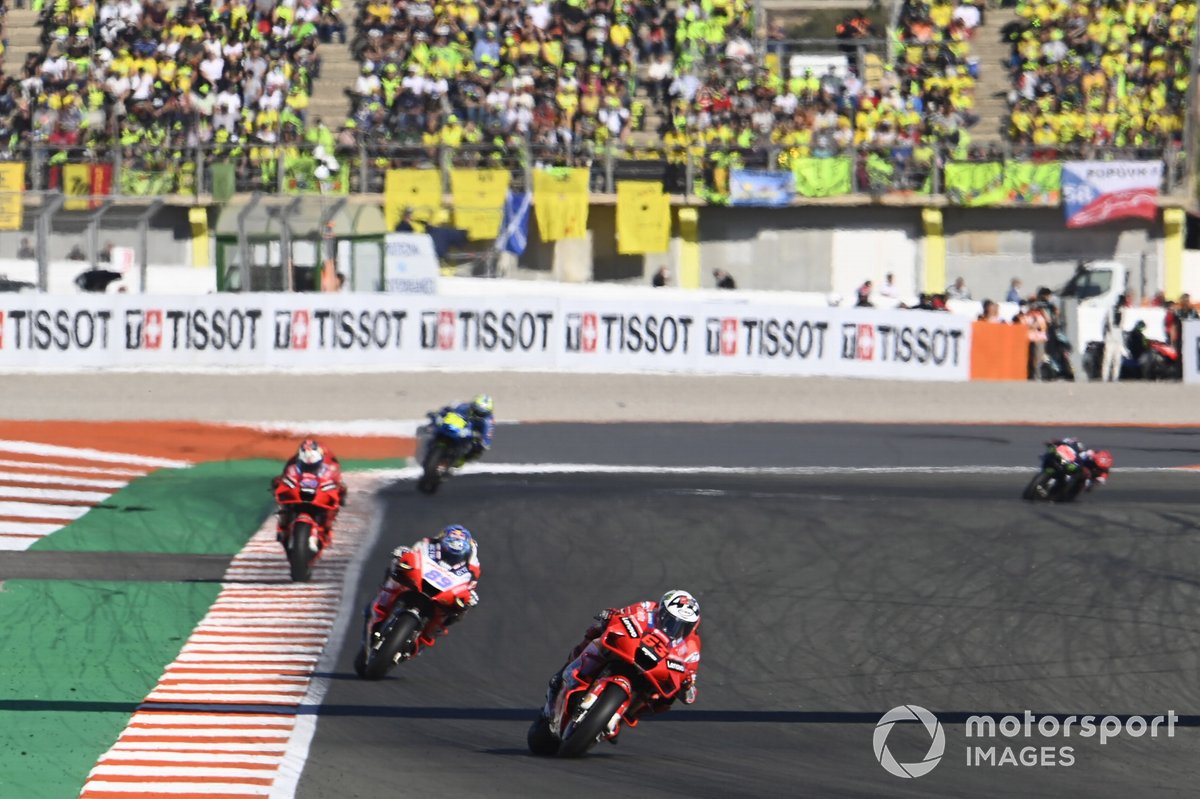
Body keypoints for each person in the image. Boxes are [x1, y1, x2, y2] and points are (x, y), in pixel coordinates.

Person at [541, 590, 701, 729]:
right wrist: (611, 616)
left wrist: (686, 685)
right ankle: (566, 671)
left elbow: (690, 692)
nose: (676, 628)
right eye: (671, 620)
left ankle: (626, 715)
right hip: (630, 650)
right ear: (662, 612)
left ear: (692, 627)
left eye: (684, 626)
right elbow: (623, 615)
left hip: (653, 673)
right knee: (597, 632)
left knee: (664, 700)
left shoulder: (692, 646)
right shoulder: (647, 608)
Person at [368, 524, 481, 651]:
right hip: (417, 582)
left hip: (443, 595)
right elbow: (413, 552)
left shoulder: (472, 565)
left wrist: (470, 596)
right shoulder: (428, 544)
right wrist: (403, 554)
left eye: (460, 538)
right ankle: (380, 605)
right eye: (453, 536)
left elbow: (471, 584)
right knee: (396, 567)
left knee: (460, 609)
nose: (457, 538)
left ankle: (424, 639)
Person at [272, 439, 348, 543]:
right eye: (306, 453)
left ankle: (326, 529)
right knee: (283, 502)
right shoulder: (293, 463)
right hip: (298, 493)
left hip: (318, 494)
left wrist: (339, 491)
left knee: (335, 502)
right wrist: (280, 483)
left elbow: (337, 480)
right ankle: (283, 527)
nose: (309, 457)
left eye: (311, 453)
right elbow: (283, 477)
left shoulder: (330, 465)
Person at [431, 394, 495, 466]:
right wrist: (437, 415)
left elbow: (487, 438)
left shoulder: (488, 421)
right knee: (436, 421)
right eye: (477, 410)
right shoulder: (463, 405)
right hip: (455, 427)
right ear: (473, 405)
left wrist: (481, 441)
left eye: (482, 413)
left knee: (478, 450)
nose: (478, 414)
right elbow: (447, 409)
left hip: (470, 434)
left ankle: (462, 459)